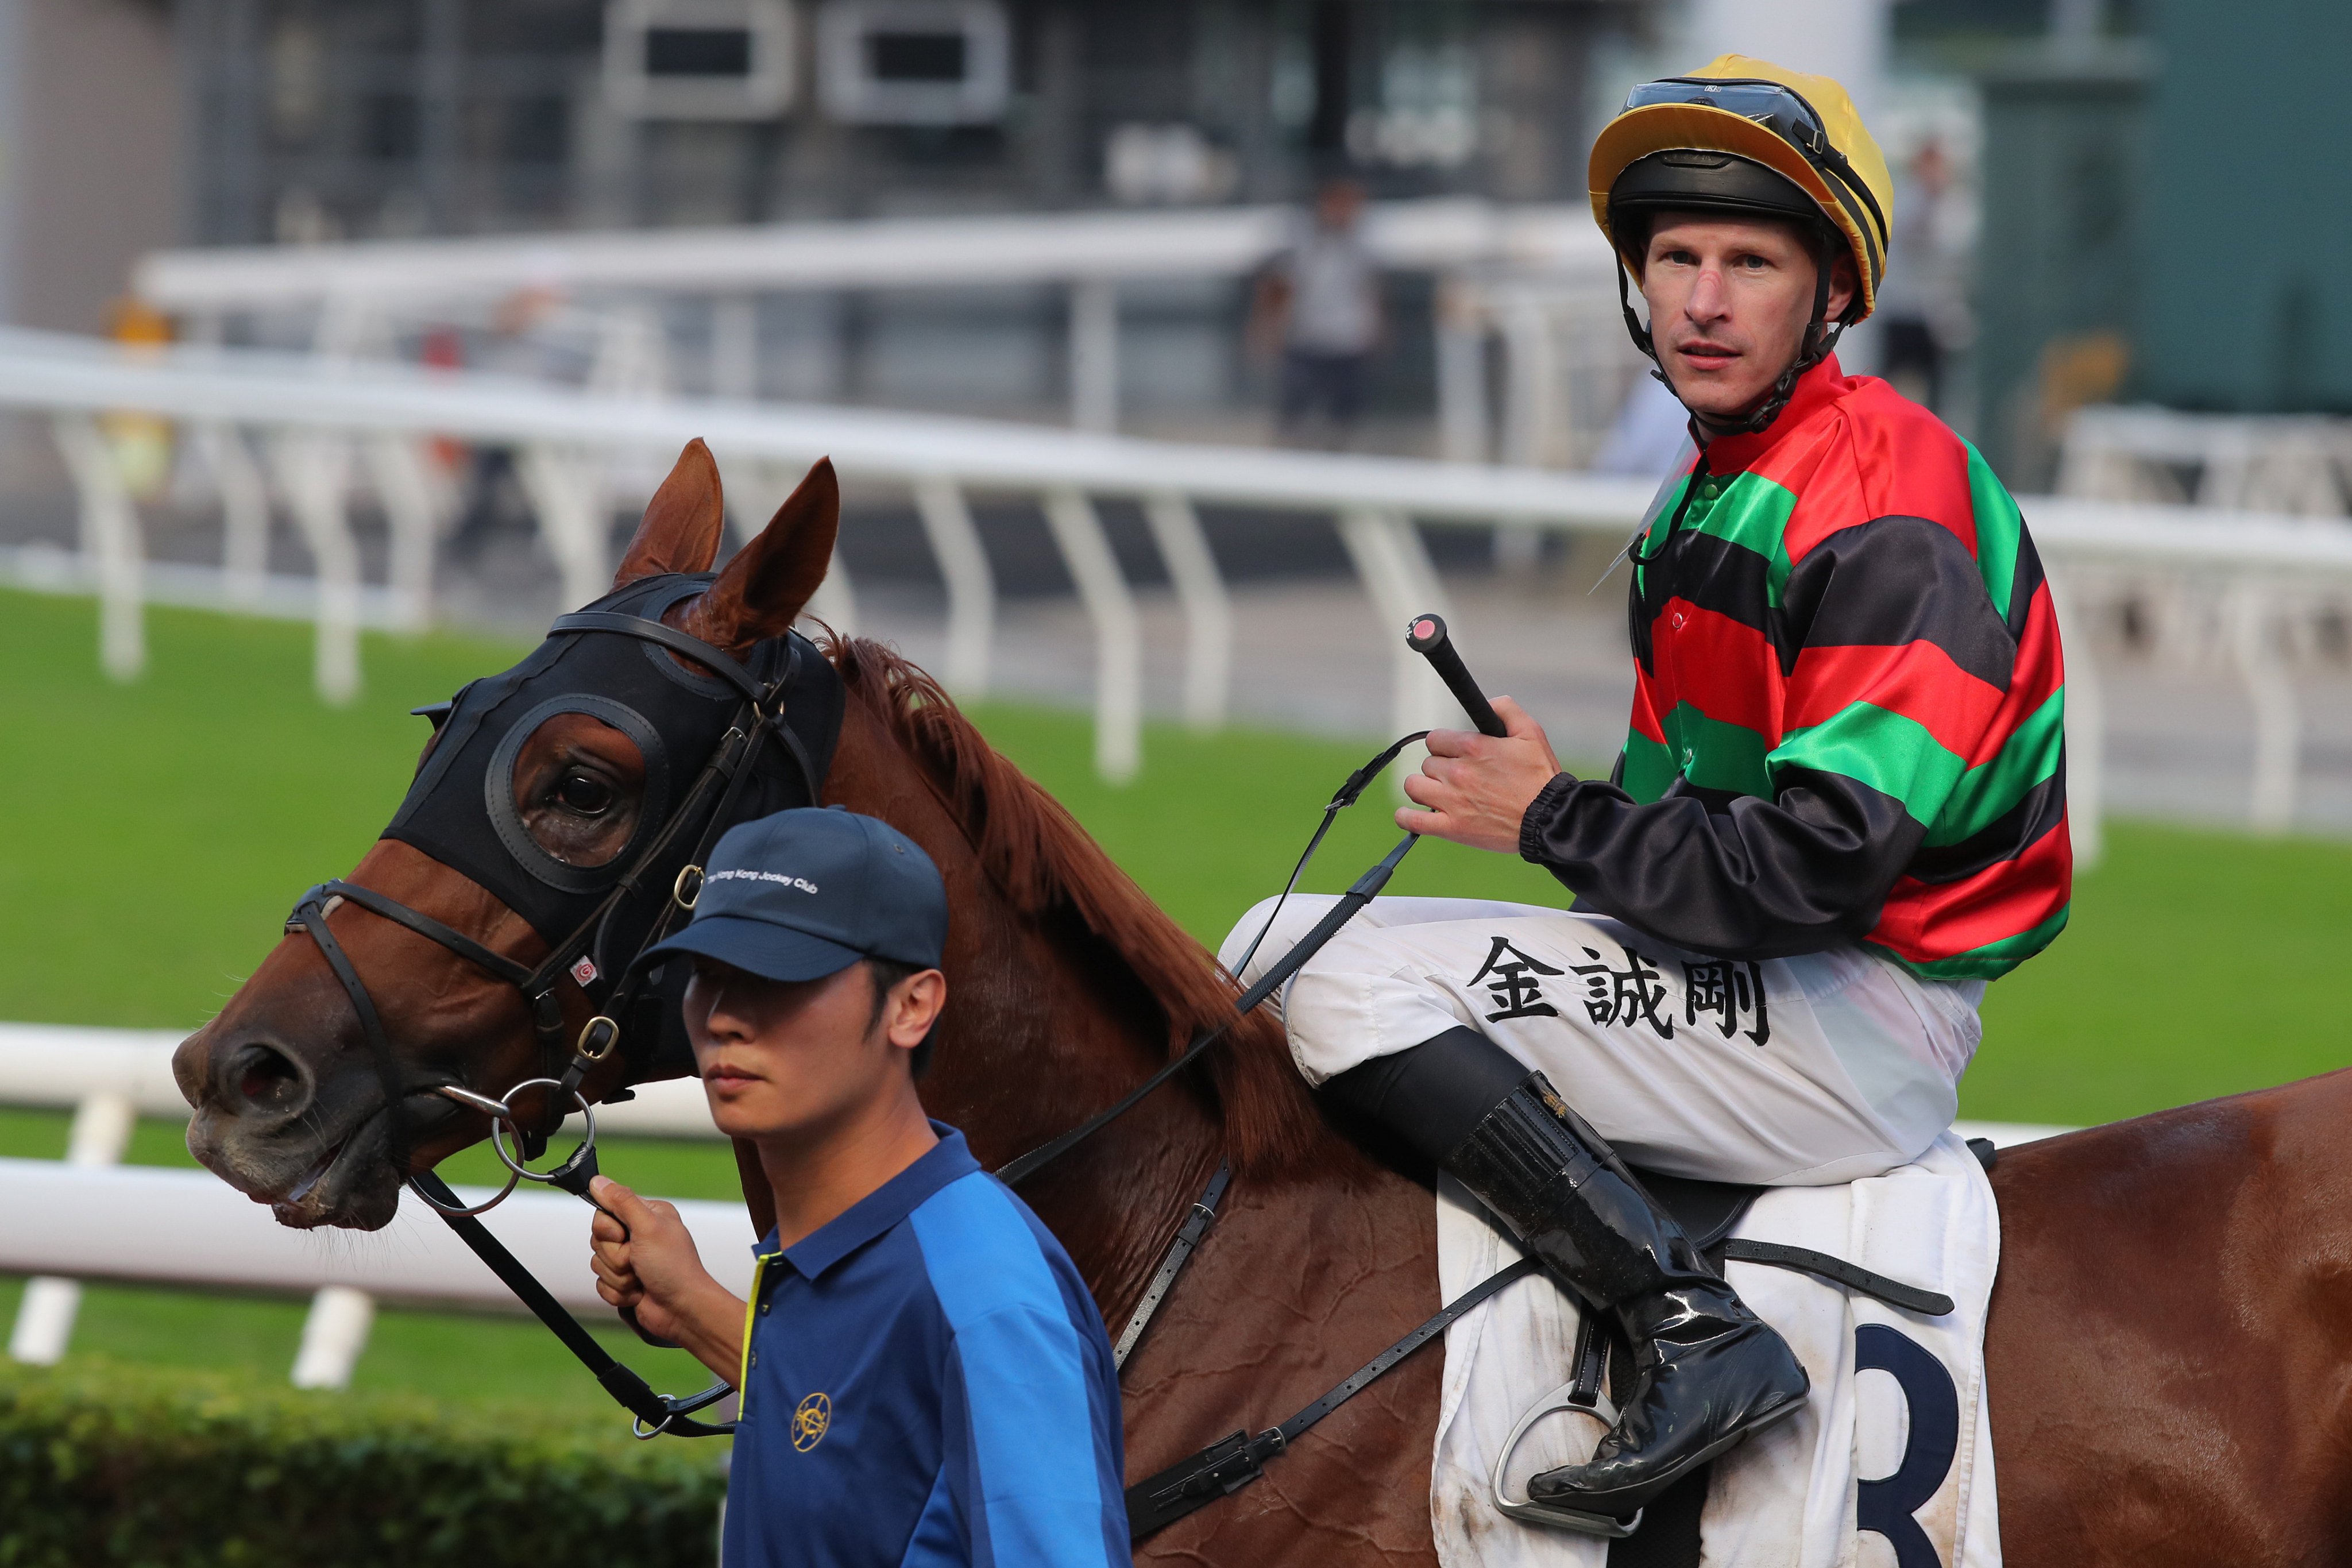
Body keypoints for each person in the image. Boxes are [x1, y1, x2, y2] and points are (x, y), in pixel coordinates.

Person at [1221, 56, 2066, 1520]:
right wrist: (1569, 802)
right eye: (1675, 257)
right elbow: (1708, 832)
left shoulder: (1885, 512)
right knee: (1275, 942)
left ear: (1835, 295)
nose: (1704, 298)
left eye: (1751, 261)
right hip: (1763, 982)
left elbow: (1819, 865)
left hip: (1857, 1013)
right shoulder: (1722, 481)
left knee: (1311, 969)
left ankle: (1692, 1327)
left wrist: (1551, 821)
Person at [586, 806, 1129, 1568]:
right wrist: (687, 1306)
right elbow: (855, 1424)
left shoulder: (988, 1298)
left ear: (911, 1005)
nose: (723, 1018)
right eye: (706, 974)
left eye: (777, 974)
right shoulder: (835, 1251)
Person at [1251, 176, 1383, 445]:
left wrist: (1375, 329)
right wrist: (1269, 330)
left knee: (1345, 419)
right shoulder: (1302, 245)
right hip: (1308, 343)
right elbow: (1278, 289)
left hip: (1348, 345)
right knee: (1296, 417)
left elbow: (1370, 293)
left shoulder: (1362, 246)